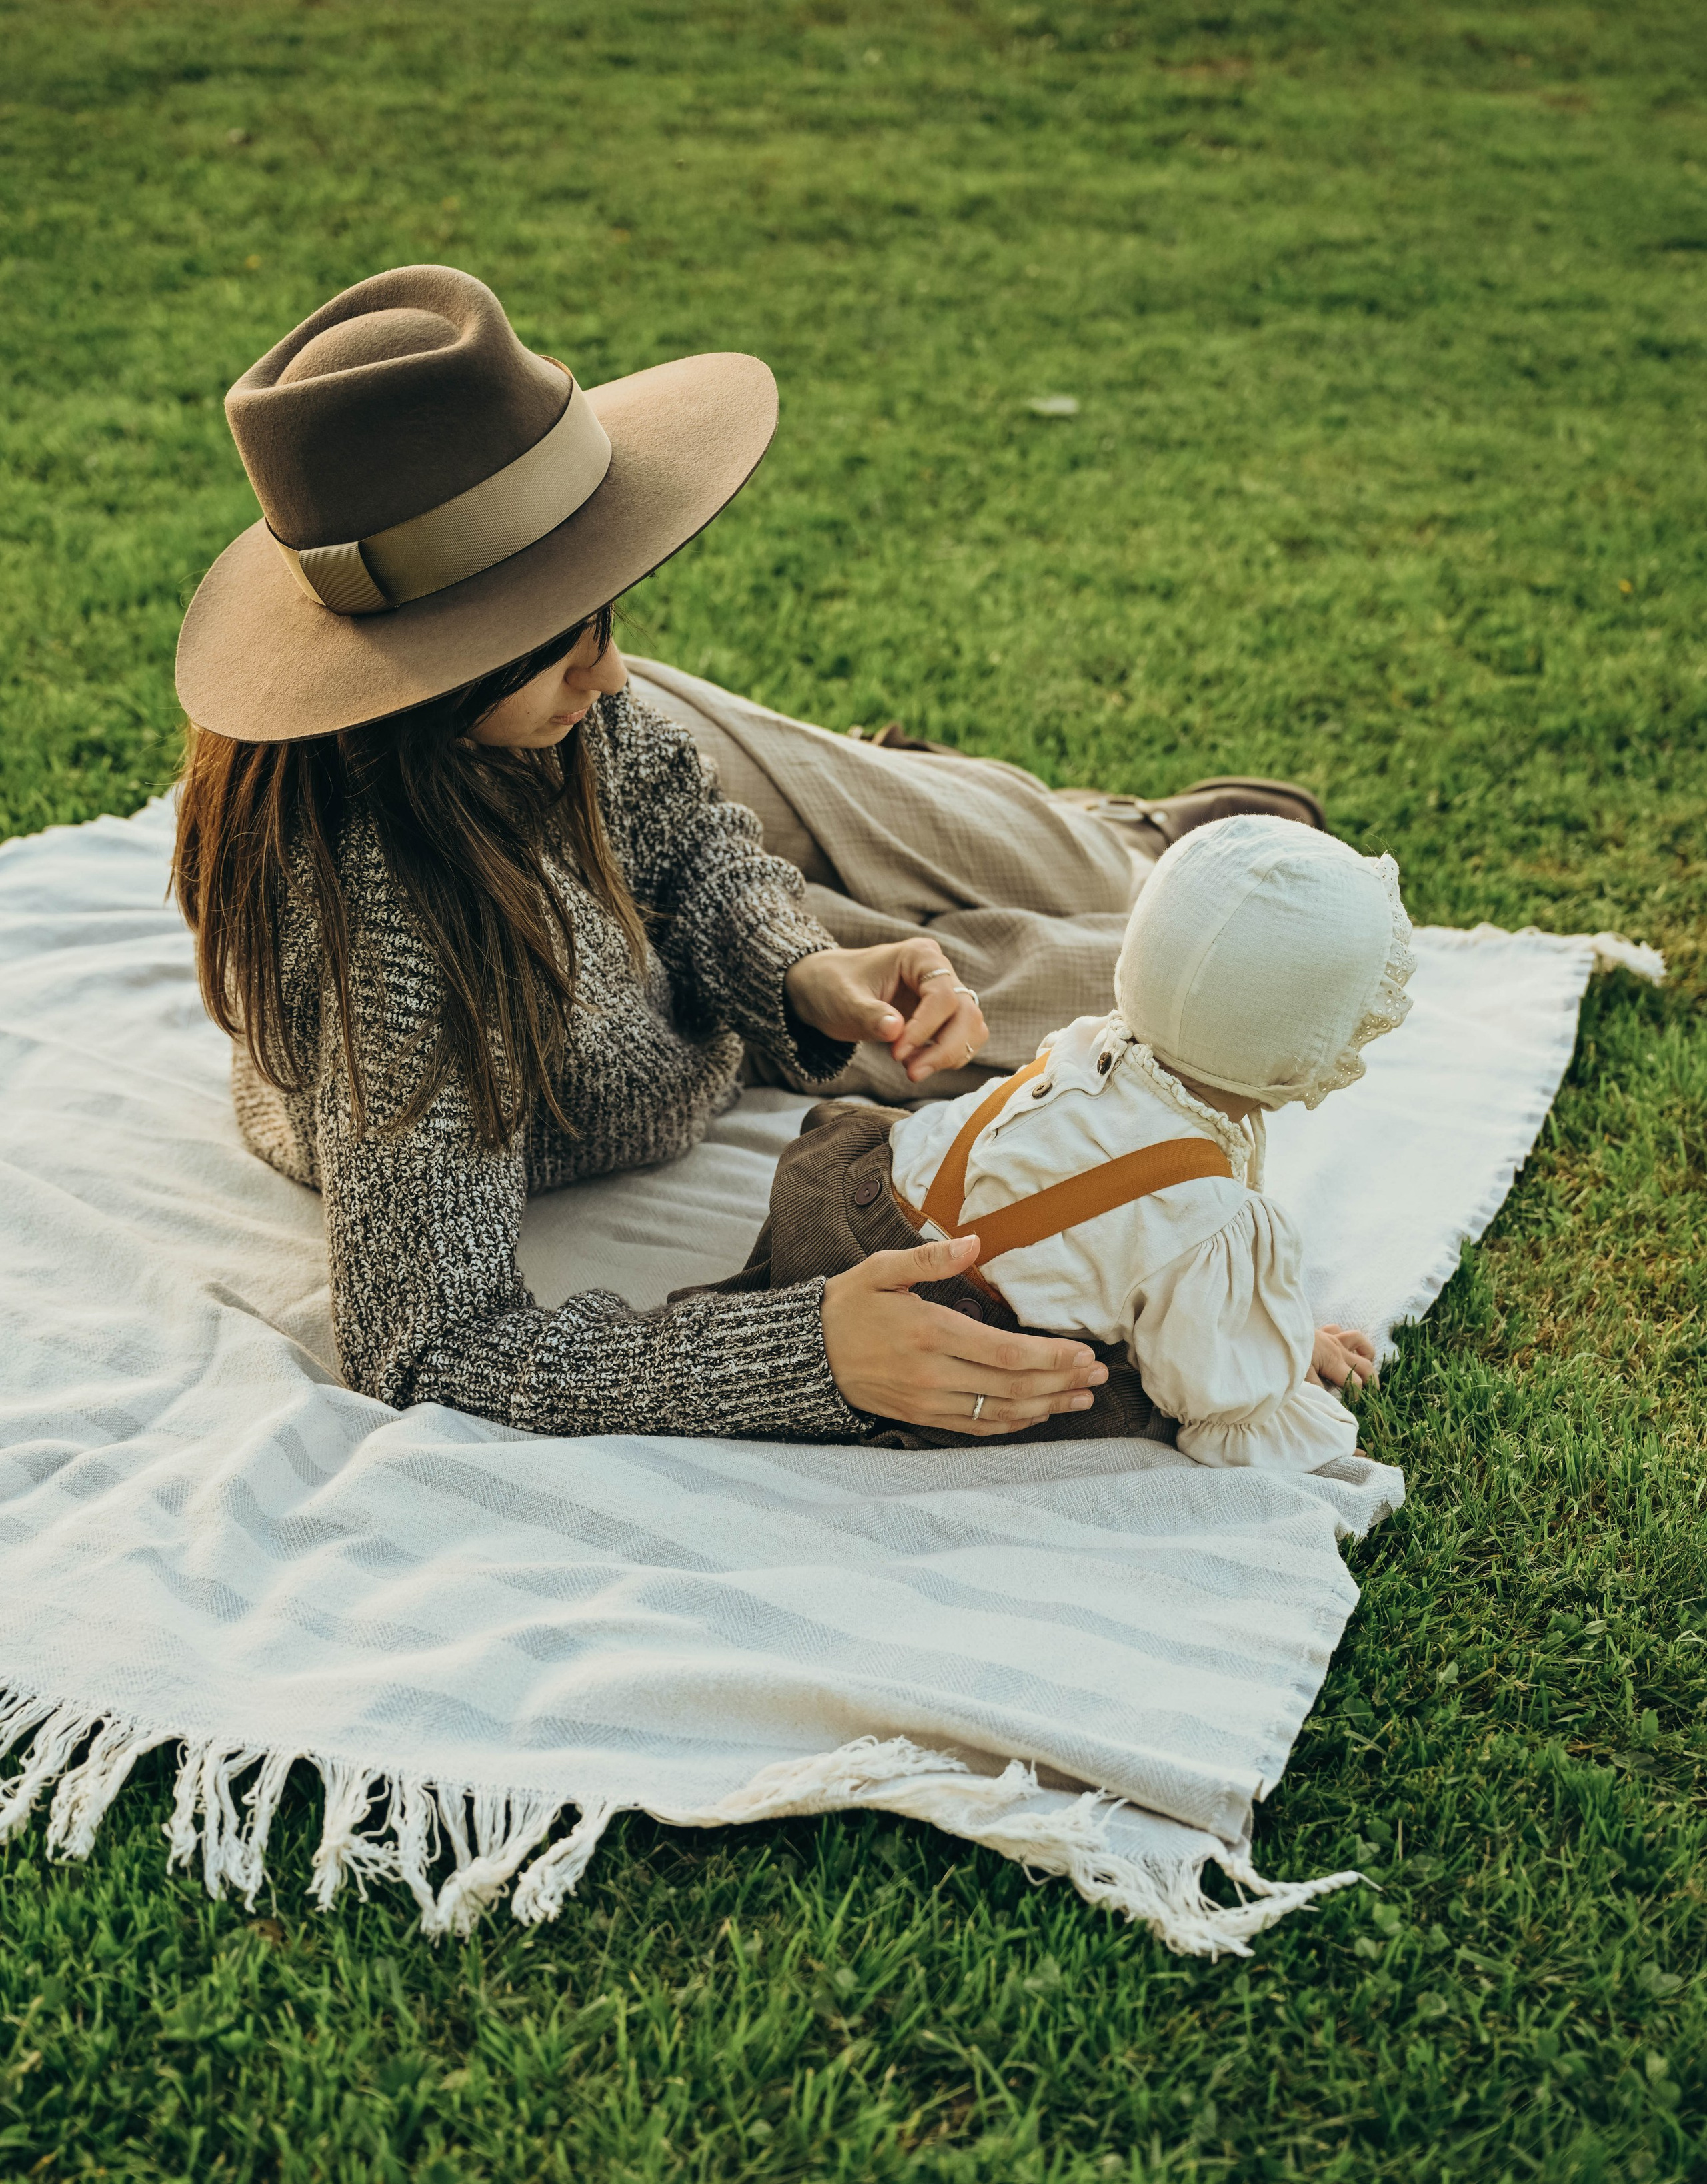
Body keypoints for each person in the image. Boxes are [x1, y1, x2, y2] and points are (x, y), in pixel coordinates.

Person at [171, 261, 1329, 1444]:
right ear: (423, 672)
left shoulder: (543, 713)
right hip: (622, 1002)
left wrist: (803, 971)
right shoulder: (401, 956)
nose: (610, 669)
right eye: (561, 638)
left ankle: (1076, 830)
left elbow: (686, 836)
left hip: (662, 932)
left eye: (601, 613)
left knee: (1030, 868)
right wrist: (810, 1354)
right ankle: (1060, 841)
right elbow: (428, 1345)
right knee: (1121, 969)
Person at [698, 815, 1414, 1464]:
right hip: (936, 1325)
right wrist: (1274, 1360)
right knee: (1105, 1386)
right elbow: (1213, 1383)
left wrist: (1268, 1323)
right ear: (1303, 1043)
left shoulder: (1088, 1048)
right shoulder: (1204, 1219)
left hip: (839, 1201)